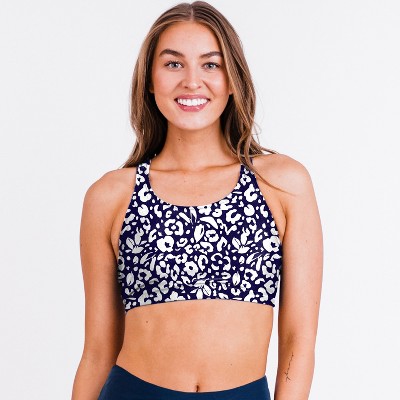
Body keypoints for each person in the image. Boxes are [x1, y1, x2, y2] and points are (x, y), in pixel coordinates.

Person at [71, 2, 323, 399]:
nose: (192, 81)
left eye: (211, 64)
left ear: (233, 79)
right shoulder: (111, 196)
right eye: (173, 64)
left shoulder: (281, 184)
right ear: (150, 80)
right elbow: (98, 351)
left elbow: (299, 341)